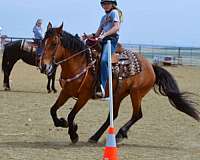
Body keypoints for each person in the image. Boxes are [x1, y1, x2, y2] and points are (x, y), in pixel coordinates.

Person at [86, 0, 123, 97]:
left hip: (111, 40)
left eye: (108, 3)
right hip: (102, 40)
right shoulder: (103, 18)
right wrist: (88, 36)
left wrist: (104, 35)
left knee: (104, 61)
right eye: (104, 4)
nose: (105, 6)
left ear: (112, 4)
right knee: (88, 54)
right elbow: (97, 33)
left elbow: (116, 27)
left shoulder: (114, 13)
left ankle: (102, 87)